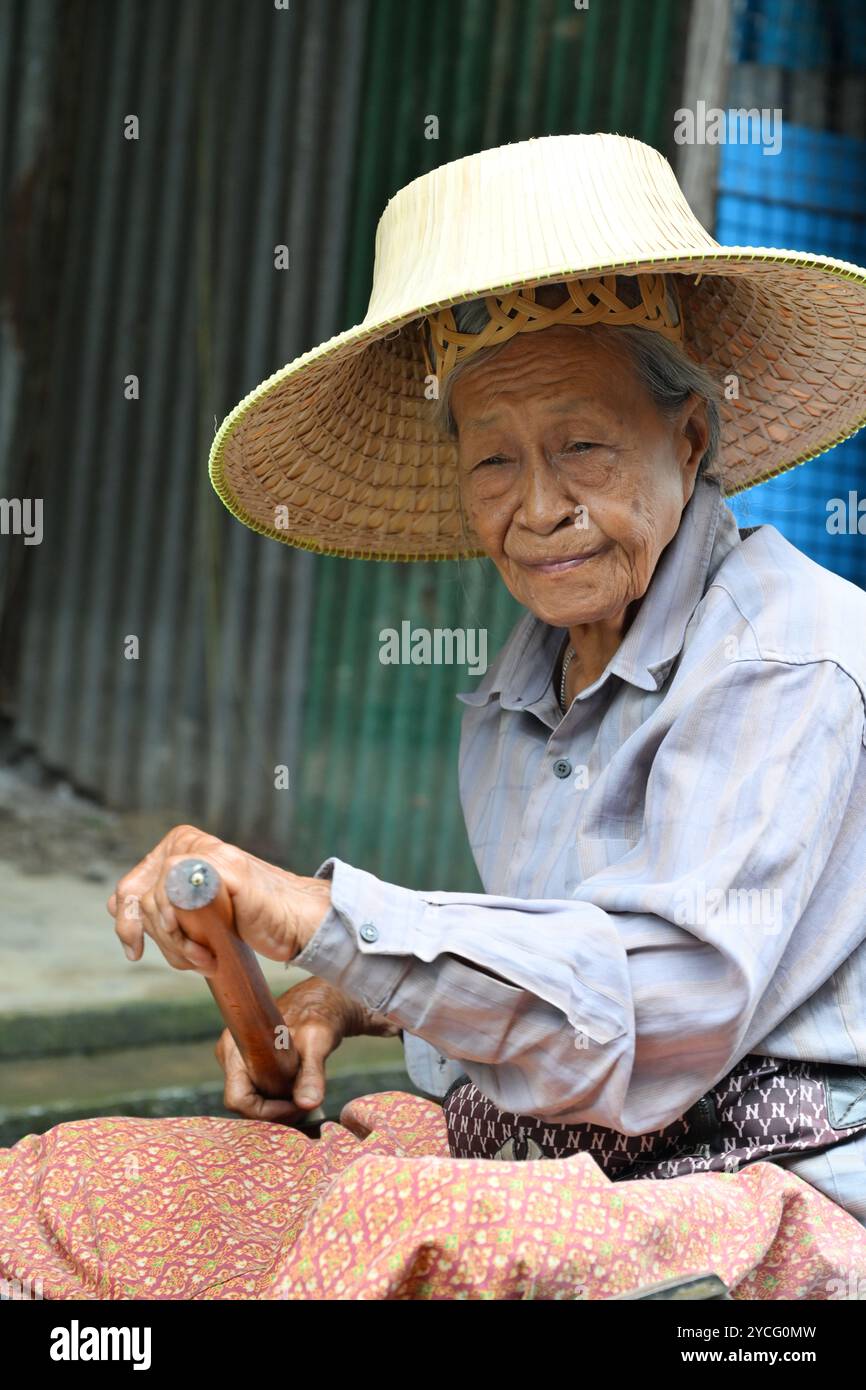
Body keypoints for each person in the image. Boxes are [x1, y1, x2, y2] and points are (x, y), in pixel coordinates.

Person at [4, 132, 866, 1301]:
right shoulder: (519, 687)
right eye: (493, 460)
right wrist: (351, 995)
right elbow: (550, 978)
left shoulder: (785, 657)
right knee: (63, 1193)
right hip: (534, 1158)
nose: (539, 506)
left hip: (763, 1194)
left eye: (581, 446)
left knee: (393, 1230)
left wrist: (326, 916)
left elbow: (657, 1014)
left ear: (689, 440)